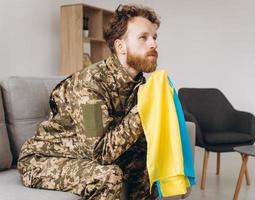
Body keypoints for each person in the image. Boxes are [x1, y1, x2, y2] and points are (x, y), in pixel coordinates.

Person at [18, 4, 160, 200]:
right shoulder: (90, 84)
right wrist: (143, 109)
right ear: (120, 46)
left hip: (80, 155)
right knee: (108, 177)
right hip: (43, 160)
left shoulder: (139, 84)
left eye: (154, 37)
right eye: (143, 37)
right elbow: (100, 152)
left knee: (148, 162)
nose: (153, 44)